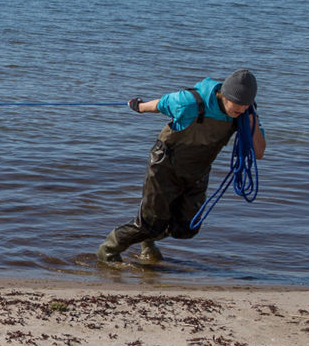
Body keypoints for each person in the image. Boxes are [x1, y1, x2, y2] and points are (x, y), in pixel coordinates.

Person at [98, 69, 266, 264]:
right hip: (165, 165)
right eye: (237, 105)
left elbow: (259, 152)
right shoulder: (189, 102)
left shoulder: (245, 115)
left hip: (198, 171)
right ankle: (108, 250)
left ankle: (148, 239)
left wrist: (251, 120)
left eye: (246, 106)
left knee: (187, 229)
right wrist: (138, 105)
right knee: (150, 223)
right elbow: (159, 105)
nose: (241, 110)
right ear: (224, 95)